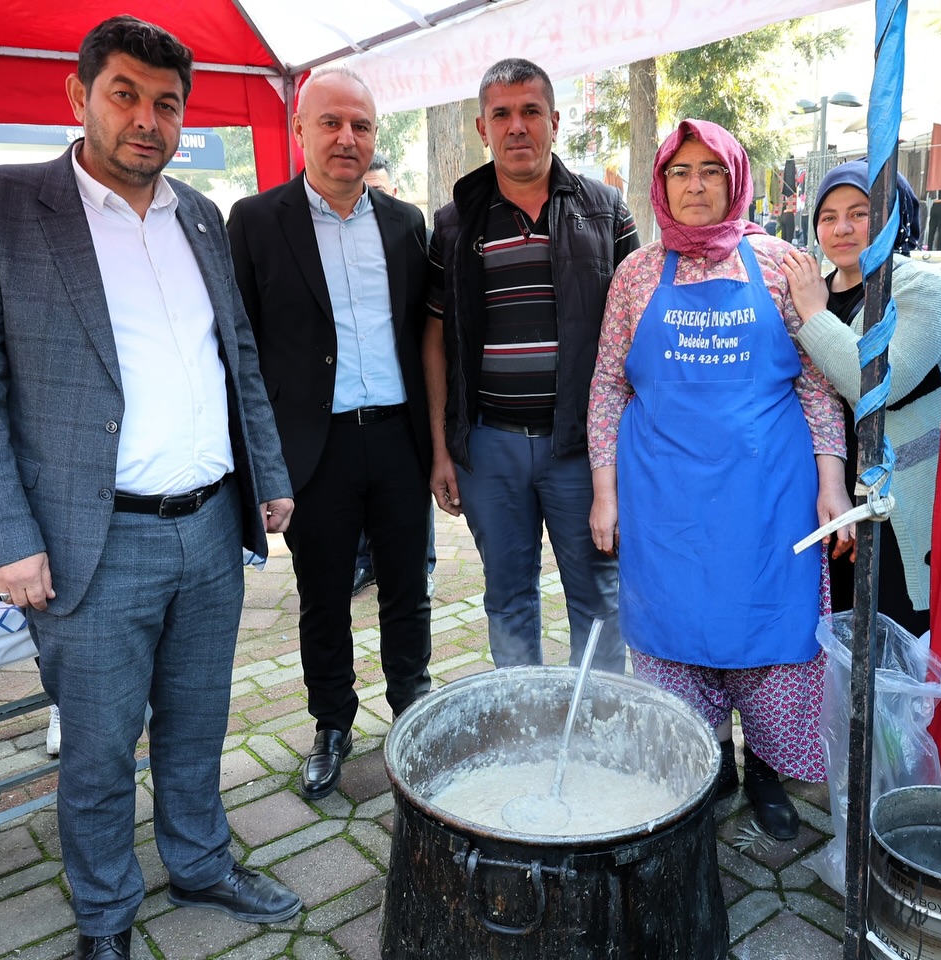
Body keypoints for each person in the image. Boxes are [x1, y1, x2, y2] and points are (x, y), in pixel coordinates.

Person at [0, 17, 300, 959]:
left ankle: (203, 863)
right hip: (90, 540)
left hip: (212, 528)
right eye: (125, 94)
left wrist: (270, 476)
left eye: (167, 104)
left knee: (198, 723)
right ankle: (105, 917)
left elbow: (239, 359)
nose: (147, 120)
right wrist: (3, 535)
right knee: (96, 751)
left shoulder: (201, 215)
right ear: (79, 95)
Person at [587, 119, 849, 840]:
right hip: (665, 499)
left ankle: (764, 772)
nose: (696, 184)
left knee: (768, 638)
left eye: (710, 170)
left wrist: (833, 485)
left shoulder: (780, 263)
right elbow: (608, 386)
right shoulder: (637, 273)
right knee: (676, 634)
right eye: (681, 172)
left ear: (735, 178)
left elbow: (818, 387)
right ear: (661, 183)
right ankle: (706, 769)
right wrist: (605, 493)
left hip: (769, 499)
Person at [228, 68, 433, 802]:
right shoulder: (255, 222)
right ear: (301, 130)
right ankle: (331, 723)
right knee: (323, 596)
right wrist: (258, 469)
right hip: (313, 449)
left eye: (362, 126)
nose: (347, 138)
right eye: (331, 123)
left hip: (398, 440)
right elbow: (239, 351)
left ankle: (412, 707)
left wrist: (439, 448)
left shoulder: (406, 224)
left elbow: (425, 338)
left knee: (408, 589)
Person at [425, 57, 638, 674]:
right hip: (490, 446)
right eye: (502, 115)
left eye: (530, 112)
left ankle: (596, 730)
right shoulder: (456, 223)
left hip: (583, 449)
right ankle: (526, 727)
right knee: (508, 598)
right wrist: (443, 448)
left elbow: (638, 321)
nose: (517, 127)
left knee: (599, 597)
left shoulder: (607, 213)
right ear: (481, 128)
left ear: (555, 120)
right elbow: (434, 337)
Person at [783, 159, 941, 638]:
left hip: (901, 506)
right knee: (833, 638)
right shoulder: (813, 289)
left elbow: (880, 385)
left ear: (894, 219)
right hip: (825, 496)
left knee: (897, 643)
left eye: (860, 213)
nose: (843, 227)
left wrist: (813, 314)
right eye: (829, 216)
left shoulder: (921, 289)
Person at [351, 156, 437, 601]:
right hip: (347, 418)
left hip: (405, 410)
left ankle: (423, 565)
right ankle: (367, 564)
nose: (372, 198)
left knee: (412, 510)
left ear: (394, 192)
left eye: (379, 190)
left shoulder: (412, 232)